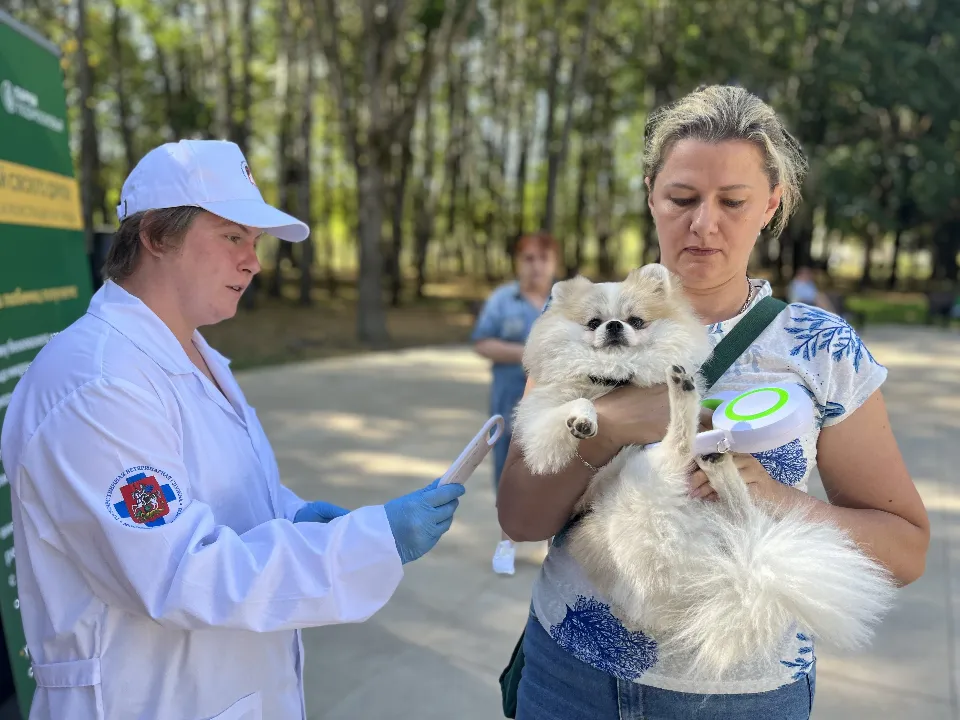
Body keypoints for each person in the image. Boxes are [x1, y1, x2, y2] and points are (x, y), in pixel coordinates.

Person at [497, 85, 930, 719]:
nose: (704, 224)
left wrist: (769, 496)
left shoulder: (820, 348)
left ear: (771, 205)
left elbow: (905, 549)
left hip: (740, 696)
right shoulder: (580, 324)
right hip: (570, 676)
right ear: (650, 195)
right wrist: (610, 425)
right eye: (681, 199)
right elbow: (519, 517)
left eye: (732, 201)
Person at [0, 139, 465, 720]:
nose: (254, 261)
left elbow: (210, 494)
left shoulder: (190, 353)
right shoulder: (96, 385)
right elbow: (182, 573)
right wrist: (368, 542)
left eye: (256, 242)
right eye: (231, 236)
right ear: (153, 236)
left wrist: (290, 514)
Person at [471, 232, 557, 575]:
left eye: (543, 259)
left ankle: (554, 548)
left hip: (555, 404)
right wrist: (526, 355)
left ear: (555, 264)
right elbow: (482, 342)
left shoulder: (566, 300)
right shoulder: (502, 301)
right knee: (509, 473)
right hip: (508, 401)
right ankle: (507, 543)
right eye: (528, 259)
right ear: (518, 263)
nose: (536, 267)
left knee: (557, 471)